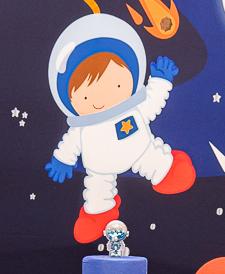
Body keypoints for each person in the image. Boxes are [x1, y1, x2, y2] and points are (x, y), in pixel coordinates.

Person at [45, 13, 195, 243]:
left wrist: (160, 81)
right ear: (70, 99)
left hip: (140, 151)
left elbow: (153, 101)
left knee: (154, 160)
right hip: (100, 169)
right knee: (97, 191)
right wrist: (62, 160)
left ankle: (169, 171)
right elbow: (70, 144)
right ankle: (97, 216)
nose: (99, 99)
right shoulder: (82, 128)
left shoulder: (133, 108)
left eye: (115, 85)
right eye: (85, 96)